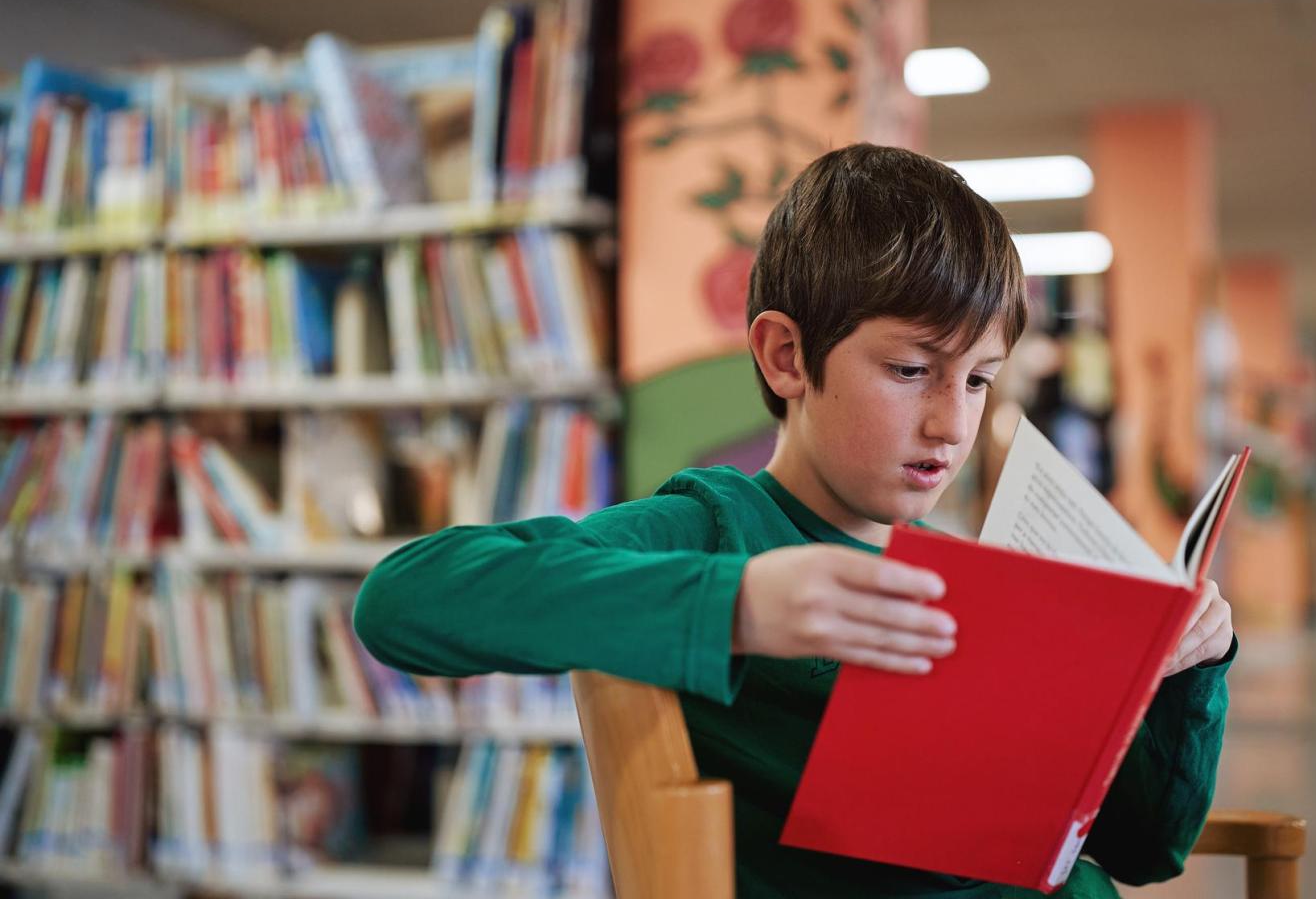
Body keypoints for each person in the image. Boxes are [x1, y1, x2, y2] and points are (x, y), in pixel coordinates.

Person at [354, 143, 1235, 898]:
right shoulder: (716, 529)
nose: (953, 425)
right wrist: (737, 604)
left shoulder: (965, 574)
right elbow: (401, 601)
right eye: (909, 371)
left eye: (977, 380)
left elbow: (1145, 848)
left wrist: (1190, 668)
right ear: (786, 357)